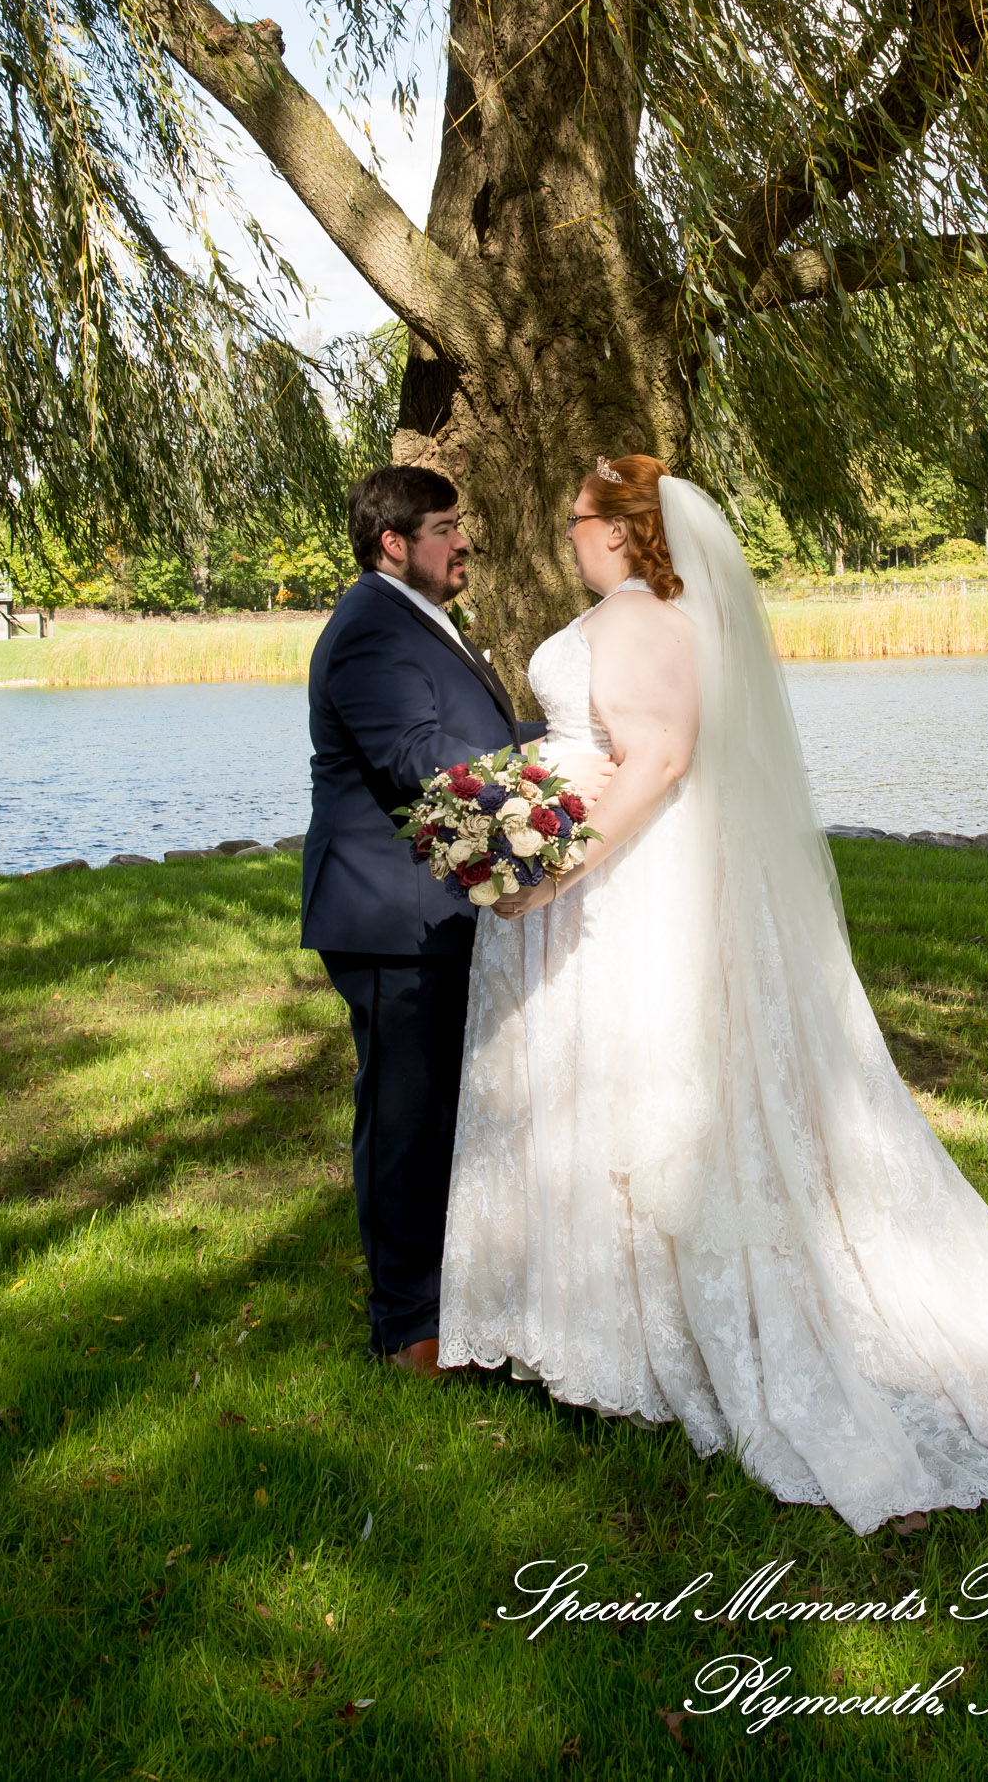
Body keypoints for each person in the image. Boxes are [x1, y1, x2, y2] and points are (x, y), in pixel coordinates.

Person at [437, 455, 988, 1531]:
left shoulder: (643, 620)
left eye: (580, 517)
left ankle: (641, 1336)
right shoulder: (645, 612)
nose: (567, 533)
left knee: (635, 1088)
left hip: (611, 881)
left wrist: (556, 867)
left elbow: (655, 760)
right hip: (590, 871)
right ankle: (588, 1325)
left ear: (628, 528)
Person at [301, 464, 607, 1375]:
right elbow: (412, 755)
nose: (463, 539)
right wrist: (552, 771)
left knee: (440, 1114)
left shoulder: (416, 616)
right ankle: (406, 1331)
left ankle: (453, 1303)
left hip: (430, 909)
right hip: (393, 916)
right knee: (404, 1121)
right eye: (444, 527)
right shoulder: (366, 629)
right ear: (394, 543)